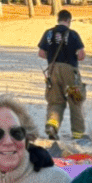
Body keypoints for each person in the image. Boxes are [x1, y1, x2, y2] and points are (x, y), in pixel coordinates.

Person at [38, 9, 86, 140]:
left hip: (52, 70)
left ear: (58, 19)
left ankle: (52, 125)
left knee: (55, 101)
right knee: (75, 101)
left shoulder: (48, 33)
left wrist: (53, 57)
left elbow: (41, 53)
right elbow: (81, 55)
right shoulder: (73, 34)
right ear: (69, 20)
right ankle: (78, 133)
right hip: (70, 71)